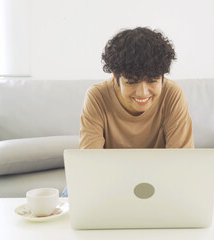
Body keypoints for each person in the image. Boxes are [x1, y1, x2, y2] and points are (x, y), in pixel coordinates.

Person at [61, 27, 193, 197]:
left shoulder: (173, 94)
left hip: (158, 183)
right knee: (70, 193)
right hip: (109, 183)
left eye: (152, 81)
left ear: (163, 76)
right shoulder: (97, 96)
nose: (143, 93)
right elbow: (90, 164)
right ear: (116, 77)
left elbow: (181, 162)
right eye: (131, 82)